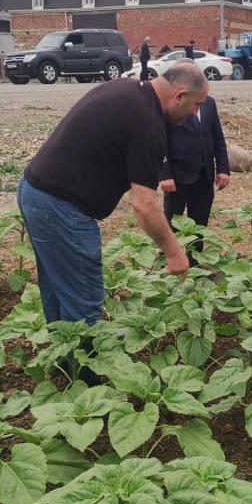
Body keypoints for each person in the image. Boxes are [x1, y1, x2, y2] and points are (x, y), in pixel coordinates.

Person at [17, 61, 208, 328]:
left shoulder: (127, 89)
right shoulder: (148, 124)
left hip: (34, 192)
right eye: (197, 105)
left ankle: (62, 363)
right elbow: (144, 205)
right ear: (180, 96)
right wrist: (174, 251)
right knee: (84, 304)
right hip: (61, 207)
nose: (196, 113)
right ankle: (85, 368)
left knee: (58, 293)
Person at [159, 93, 230, 257]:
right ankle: (168, 266)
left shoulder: (209, 102)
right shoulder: (169, 105)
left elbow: (217, 137)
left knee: (199, 225)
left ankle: (195, 266)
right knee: (172, 224)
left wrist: (223, 168)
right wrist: (164, 174)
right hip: (177, 178)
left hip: (204, 175)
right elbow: (158, 141)